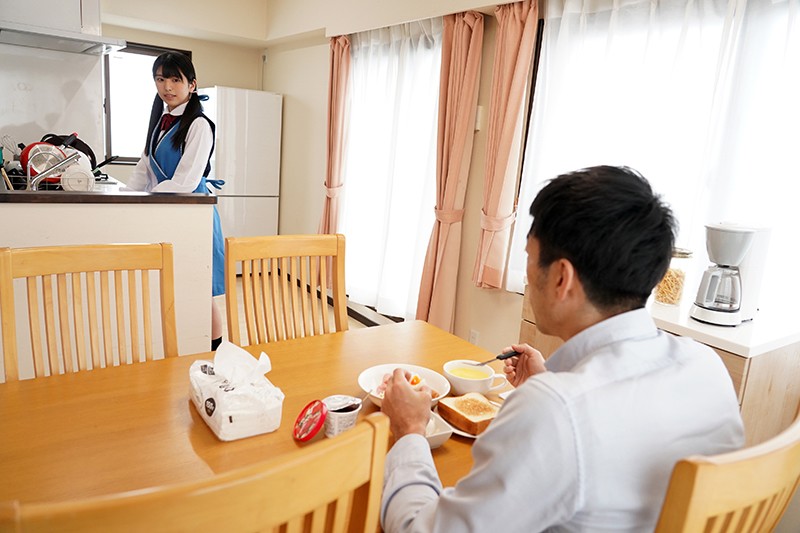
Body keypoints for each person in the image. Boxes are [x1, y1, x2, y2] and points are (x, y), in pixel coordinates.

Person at [379, 165, 745, 532]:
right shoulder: (706, 365)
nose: (526, 273)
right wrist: (549, 383)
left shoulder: (555, 411)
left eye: (529, 257)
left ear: (561, 277)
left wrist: (410, 430)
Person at [123, 52, 225, 350]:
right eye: (160, 79)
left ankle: (215, 349)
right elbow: (143, 171)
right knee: (172, 282)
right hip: (167, 210)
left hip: (192, 213)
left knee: (200, 287)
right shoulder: (160, 122)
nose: (167, 86)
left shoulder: (199, 125)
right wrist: (124, 200)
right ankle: (177, 344)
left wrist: (147, 200)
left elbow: (186, 182)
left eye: (175, 79)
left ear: (192, 85)